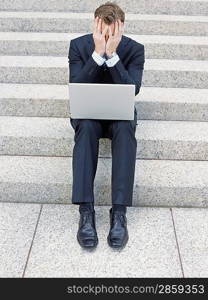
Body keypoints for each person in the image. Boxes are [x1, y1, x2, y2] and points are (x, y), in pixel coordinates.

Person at [68, 1, 145, 249]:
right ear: (96, 26)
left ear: (120, 30)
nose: (107, 37)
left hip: (118, 116)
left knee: (125, 128)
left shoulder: (135, 49)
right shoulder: (78, 46)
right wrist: (97, 53)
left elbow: (133, 89)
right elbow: (76, 84)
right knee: (87, 126)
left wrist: (111, 56)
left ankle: (119, 213)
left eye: (112, 34)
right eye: (103, 33)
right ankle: (86, 212)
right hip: (88, 114)